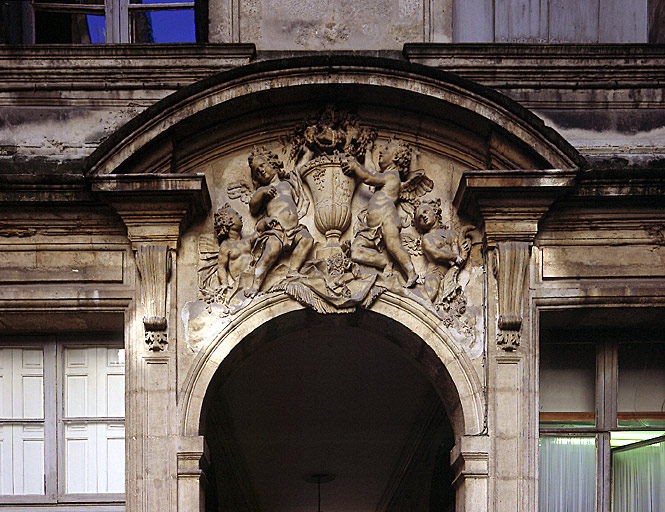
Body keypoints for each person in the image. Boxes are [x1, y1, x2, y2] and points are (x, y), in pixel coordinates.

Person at [343, 139, 418, 287]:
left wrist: (355, 165)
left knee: (393, 245)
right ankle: (384, 262)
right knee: (355, 251)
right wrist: (368, 152)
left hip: (387, 219)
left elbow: (368, 177)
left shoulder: (392, 176)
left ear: (396, 157)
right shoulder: (384, 176)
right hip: (370, 228)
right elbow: (371, 171)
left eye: (386, 150)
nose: (382, 152)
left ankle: (411, 272)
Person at [245, 146, 313, 297]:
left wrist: (308, 152)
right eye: (257, 171)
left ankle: (293, 271)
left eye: (262, 165)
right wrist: (261, 192)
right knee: (271, 252)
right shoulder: (264, 190)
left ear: (272, 163)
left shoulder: (288, 183)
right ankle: (255, 286)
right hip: (277, 229)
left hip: (294, 229)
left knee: (307, 239)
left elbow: (299, 171)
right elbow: (253, 207)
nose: (261, 170)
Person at [414, 202, 471, 303]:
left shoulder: (450, 234)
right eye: (420, 218)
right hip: (435, 273)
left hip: (449, 274)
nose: (424, 217)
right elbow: (436, 253)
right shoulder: (427, 238)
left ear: (435, 211)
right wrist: (455, 257)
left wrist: (463, 249)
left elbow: (457, 255)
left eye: (426, 212)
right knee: (428, 297)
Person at [213, 204, 253, 303]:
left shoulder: (247, 240)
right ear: (228, 221)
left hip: (254, 277)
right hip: (241, 281)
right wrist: (224, 283)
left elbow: (260, 232)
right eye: (236, 214)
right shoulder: (226, 246)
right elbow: (221, 267)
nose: (240, 216)